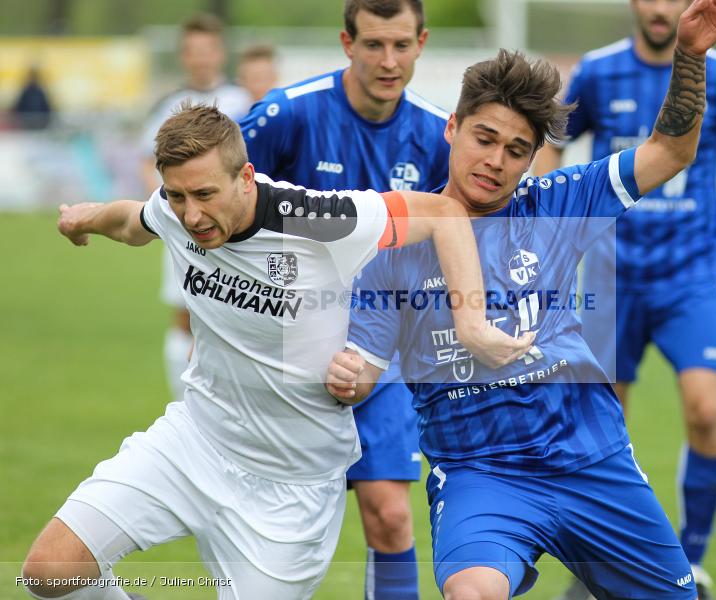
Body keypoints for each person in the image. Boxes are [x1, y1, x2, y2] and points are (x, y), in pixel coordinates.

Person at [23, 103, 531, 600]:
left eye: (204, 194)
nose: (192, 215)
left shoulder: (320, 218)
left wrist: (471, 322)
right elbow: (134, 222)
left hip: (293, 489)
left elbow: (444, 213)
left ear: (246, 176)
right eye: (178, 196)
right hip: (194, 443)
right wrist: (85, 220)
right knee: (48, 572)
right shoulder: (175, 210)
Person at [327, 1, 716, 598]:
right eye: (484, 138)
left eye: (517, 150)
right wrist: (349, 375)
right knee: (473, 592)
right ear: (452, 128)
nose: (495, 162)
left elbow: (671, 152)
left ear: (533, 158)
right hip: (480, 474)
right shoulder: (395, 246)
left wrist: (690, 58)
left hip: (589, 460)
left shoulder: (557, 203)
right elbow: (364, 371)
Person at [533, 1, 716, 597]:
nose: (659, 9)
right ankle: (602, 565)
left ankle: (692, 559)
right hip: (608, 277)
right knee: (602, 428)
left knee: (704, 411)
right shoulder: (597, 72)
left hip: (689, 275)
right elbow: (554, 150)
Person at [239, 1, 447, 597]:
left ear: (422, 42)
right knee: (275, 531)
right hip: (286, 354)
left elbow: (453, 237)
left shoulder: (437, 134)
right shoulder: (286, 115)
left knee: (389, 515)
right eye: (374, 45)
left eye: (402, 45)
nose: (389, 61)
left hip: (381, 355)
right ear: (346, 42)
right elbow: (217, 200)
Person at [141, 13, 252, 402]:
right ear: (184, 56)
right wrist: (169, 209)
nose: (201, 59)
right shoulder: (168, 105)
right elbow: (145, 160)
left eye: (208, 51)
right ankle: (183, 402)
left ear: (219, 53)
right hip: (186, 229)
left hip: (235, 230)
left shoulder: (244, 100)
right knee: (184, 313)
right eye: (194, 52)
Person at [11, 64, 54, 130]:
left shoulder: (40, 91)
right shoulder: (26, 91)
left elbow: (47, 108)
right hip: (26, 125)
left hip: (39, 124)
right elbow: (19, 107)